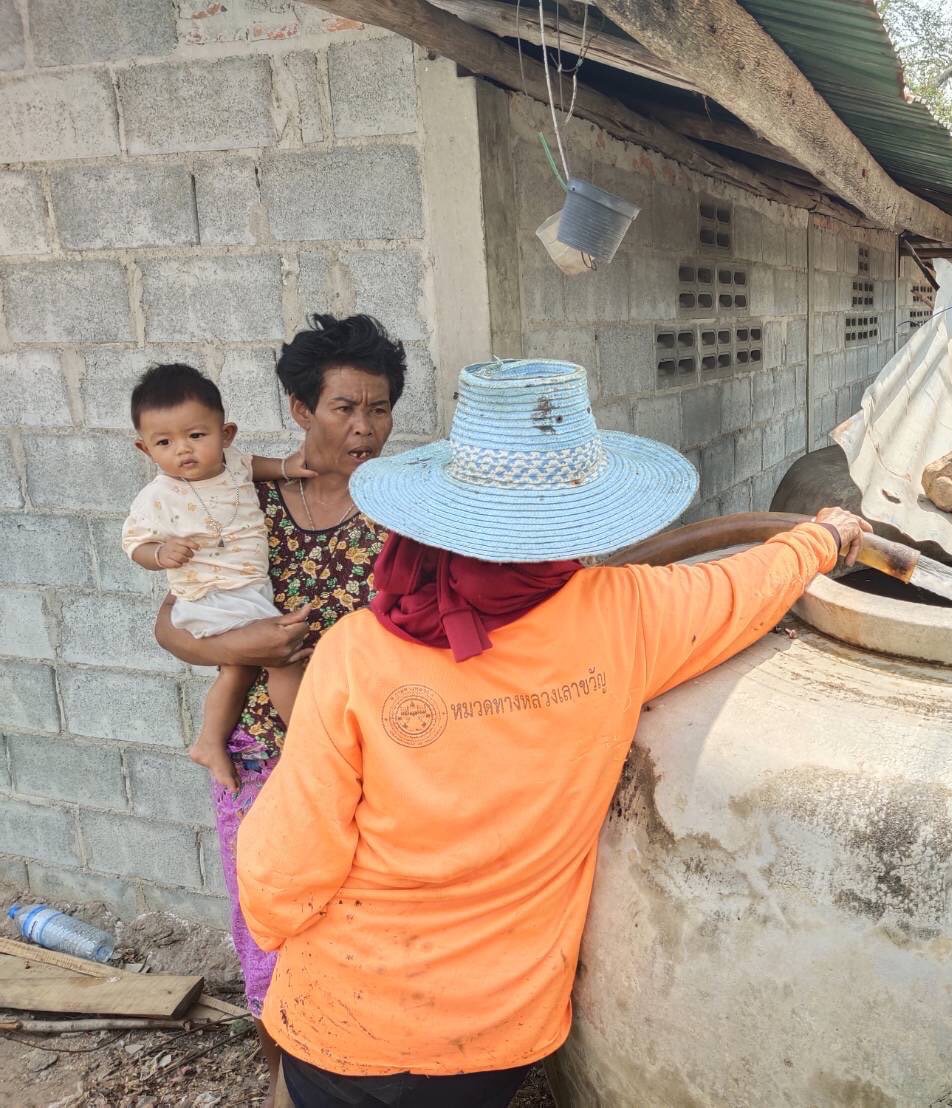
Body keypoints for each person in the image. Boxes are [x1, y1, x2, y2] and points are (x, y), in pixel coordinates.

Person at [236, 359, 870, 1108]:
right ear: (578, 515)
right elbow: (744, 586)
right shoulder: (629, 613)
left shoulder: (356, 651)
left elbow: (286, 866)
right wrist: (822, 538)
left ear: (438, 517)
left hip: (345, 1017)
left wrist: (274, 929)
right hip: (493, 1033)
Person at [152, 314, 406, 1104]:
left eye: (379, 408)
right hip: (260, 758)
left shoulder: (408, 513)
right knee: (269, 929)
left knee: (366, 934)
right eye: (344, 408)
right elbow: (171, 625)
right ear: (300, 409)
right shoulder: (241, 501)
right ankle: (283, 1081)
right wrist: (249, 646)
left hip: (370, 767)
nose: (364, 427)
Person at [124, 363, 316, 791]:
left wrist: (288, 467)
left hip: (247, 588)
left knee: (237, 669)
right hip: (210, 594)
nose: (183, 450)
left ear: (225, 434)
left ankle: (209, 741)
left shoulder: (234, 465)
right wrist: (159, 554)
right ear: (145, 449)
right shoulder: (157, 497)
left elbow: (257, 466)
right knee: (283, 658)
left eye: (196, 435)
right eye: (164, 442)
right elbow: (134, 544)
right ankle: (309, 744)